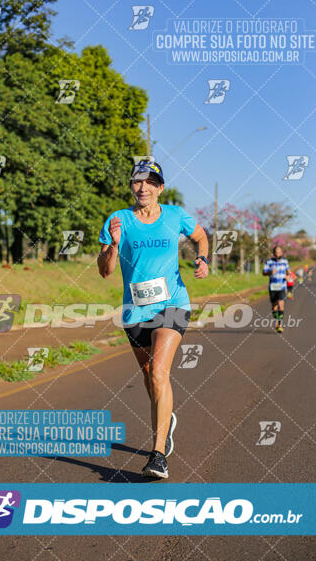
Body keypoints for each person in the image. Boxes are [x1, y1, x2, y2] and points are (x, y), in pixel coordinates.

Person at [97, 160, 209, 479]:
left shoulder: (175, 216)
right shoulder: (118, 220)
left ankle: (157, 455)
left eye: (150, 182)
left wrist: (202, 257)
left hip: (173, 302)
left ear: (160, 187)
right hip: (135, 310)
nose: (143, 187)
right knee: (149, 375)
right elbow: (105, 271)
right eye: (137, 181)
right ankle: (166, 417)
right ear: (132, 186)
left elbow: (201, 236)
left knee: (160, 371)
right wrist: (114, 247)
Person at [262, 245, 291, 333]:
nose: (277, 254)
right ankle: (277, 320)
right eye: (276, 252)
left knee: (281, 304)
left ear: (281, 253)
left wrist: (288, 277)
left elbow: (289, 272)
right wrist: (270, 272)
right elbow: (263, 273)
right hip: (273, 286)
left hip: (282, 286)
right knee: (274, 307)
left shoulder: (285, 262)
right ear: (273, 253)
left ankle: (279, 324)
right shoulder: (269, 262)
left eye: (279, 252)